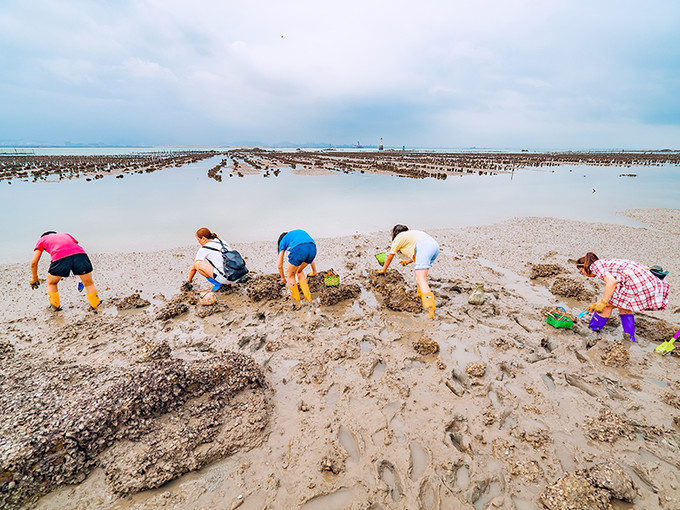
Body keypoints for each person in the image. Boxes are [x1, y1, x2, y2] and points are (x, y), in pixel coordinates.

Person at [576, 252, 669, 342]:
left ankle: (592, 329)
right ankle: (630, 337)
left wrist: (603, 302)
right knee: (624, 307)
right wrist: (598, 303)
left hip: (636, 282)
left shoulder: (594, 266)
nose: (583, 275)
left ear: (585, 266)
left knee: (607, 306)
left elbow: (611, 282)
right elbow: (615, 290)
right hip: (648, 280)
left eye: (582, 272)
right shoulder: (604, 263)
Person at [378, 224, 440, 318]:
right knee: (419, 276)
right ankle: (420, 296)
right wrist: (407, 261)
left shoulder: (398, 238)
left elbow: (390, 256)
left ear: (394, 233)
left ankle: (430, 310)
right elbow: (417, 253)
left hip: (424, 246)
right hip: (434, 246)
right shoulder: (411, 235)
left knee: (421, 279)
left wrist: (384, 269)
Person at [30, 231, 100, 311]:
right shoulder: (66, 234)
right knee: (89, 284)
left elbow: (33, 263)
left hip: (60, 257)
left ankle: (55, 307)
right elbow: (72, 247)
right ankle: (96, 306)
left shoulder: (42, 240)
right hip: (80, 255)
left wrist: (34, 278)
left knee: (51, 283)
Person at [277, 230, 318, 302]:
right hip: (313, 248)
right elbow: (310, 258)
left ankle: (296, 301)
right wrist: (314, 271)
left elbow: (280, 265)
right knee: (299, 271)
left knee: (290, 275)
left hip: (299, 249)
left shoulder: (283, 241)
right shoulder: (295, 236)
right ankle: (308, 299)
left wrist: (283, 278)